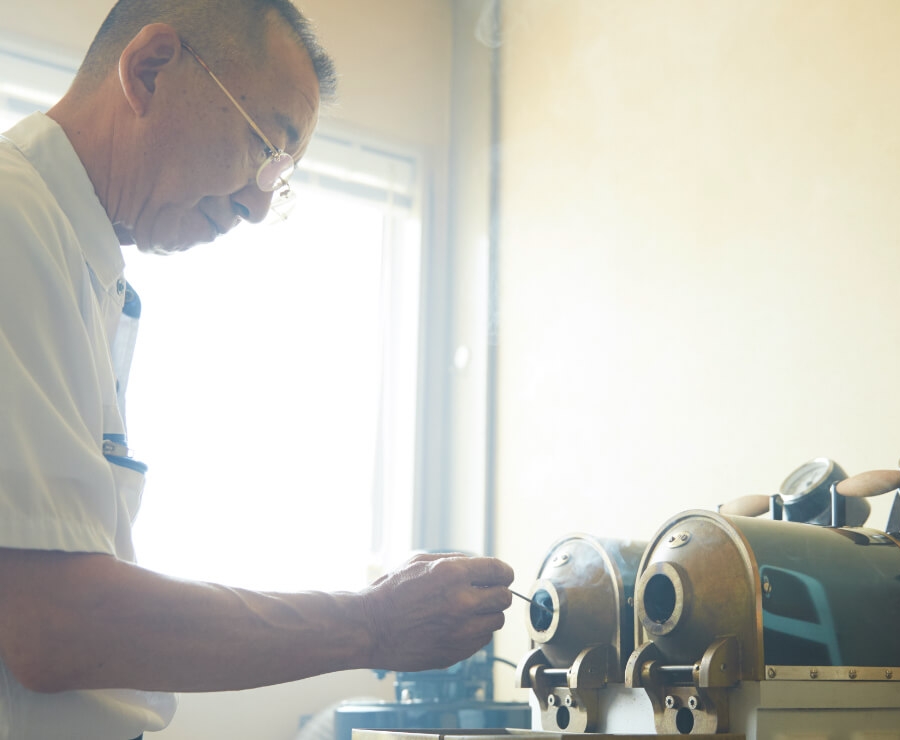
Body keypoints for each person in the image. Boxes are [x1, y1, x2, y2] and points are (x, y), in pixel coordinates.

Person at [0, 1, 514, 738]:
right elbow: (55, 626)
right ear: (149, 70)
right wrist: (372, 626)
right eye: (264, 147)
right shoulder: (13, 217)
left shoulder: (92, 271)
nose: (255, 203)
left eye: (281, 178)